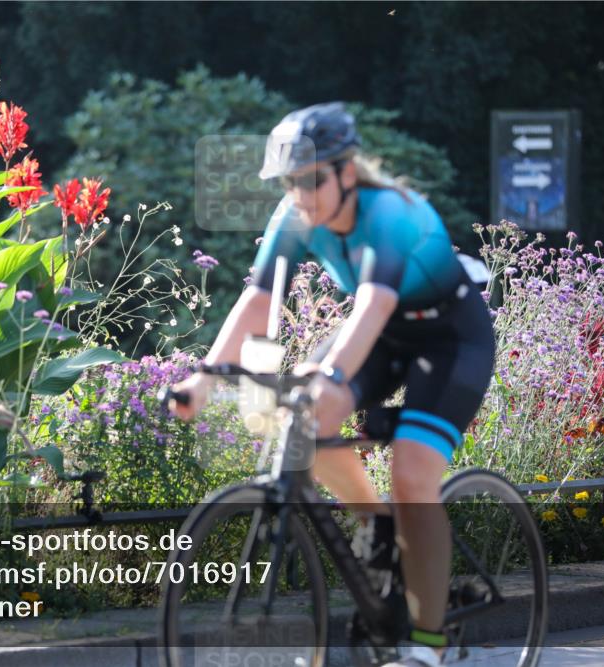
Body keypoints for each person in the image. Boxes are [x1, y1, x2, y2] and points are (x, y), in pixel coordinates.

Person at [166, 101, 496, 667]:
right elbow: (260, 296)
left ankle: (430, 644)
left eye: (312, 179)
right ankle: (379, 524)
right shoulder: (295, 215)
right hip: (386, 338)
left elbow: (373, 301)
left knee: (413, 473)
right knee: (301, 422)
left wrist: (331, 373)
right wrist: (204, 375)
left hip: (449, 343)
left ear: (347, 171)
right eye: (291, 182)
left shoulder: (389, 211)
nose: (301, 194)